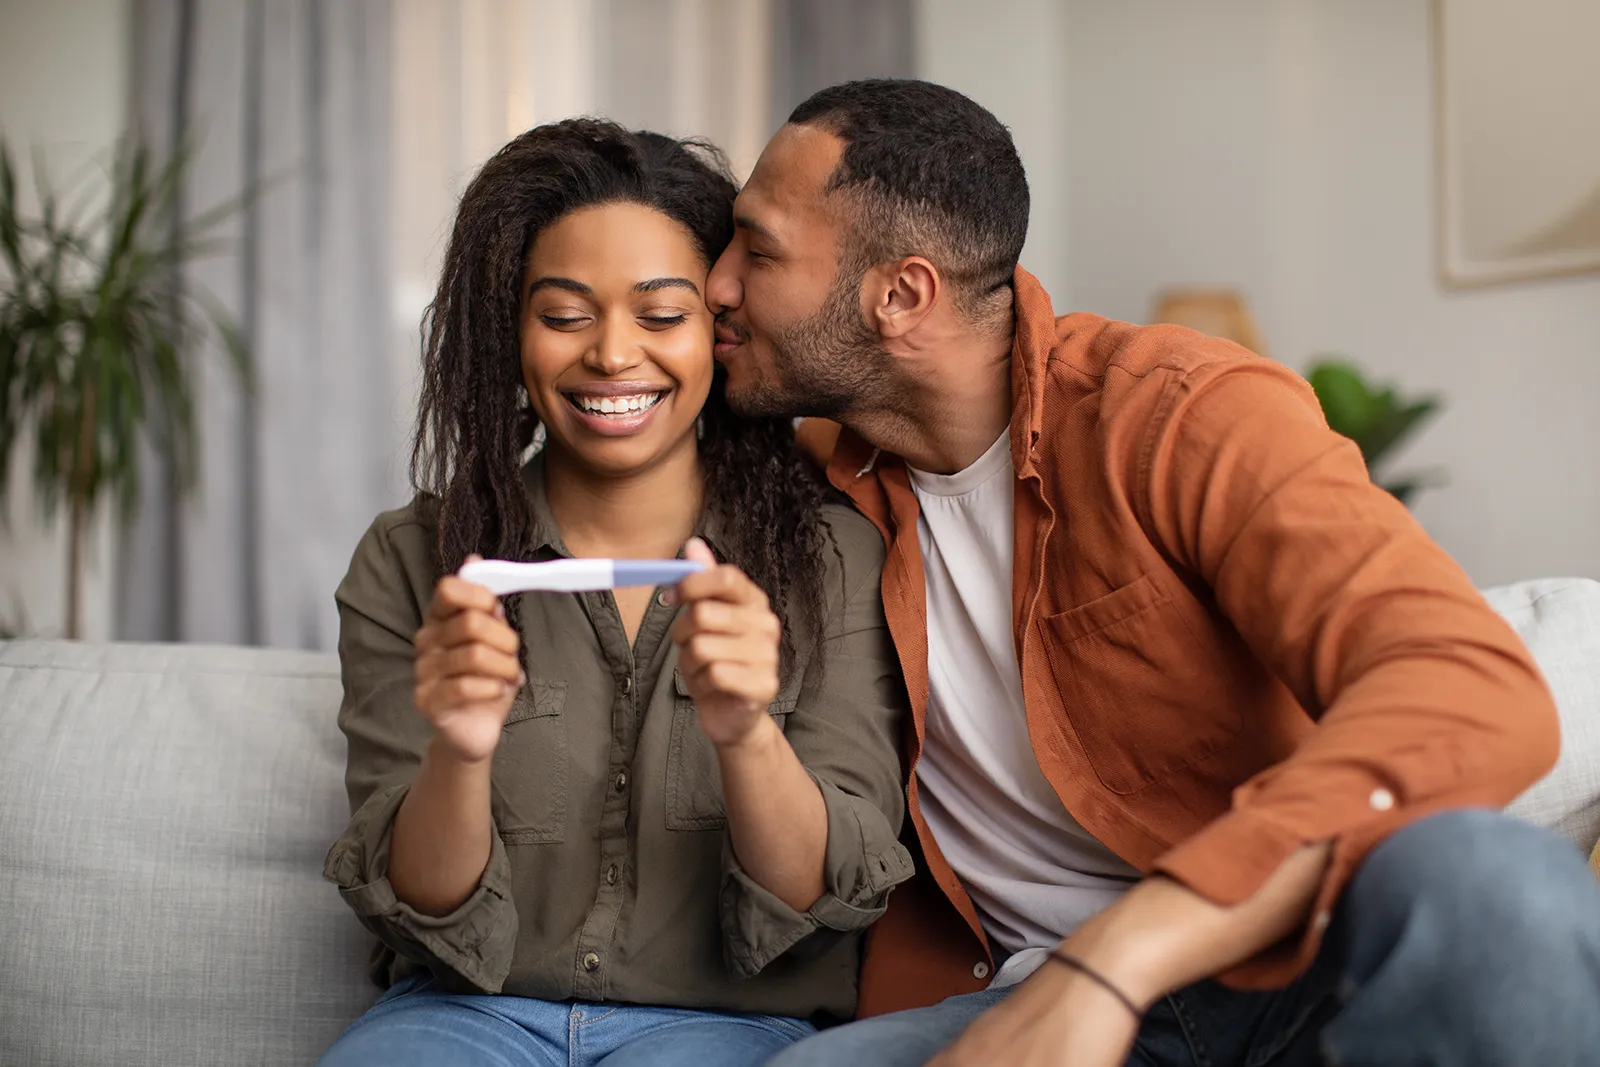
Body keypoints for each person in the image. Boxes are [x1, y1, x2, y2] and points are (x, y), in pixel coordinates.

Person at [704, 79, 1600, 1066]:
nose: (717, 284)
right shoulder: (809, 481)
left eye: (758, 249)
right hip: (1013, 998)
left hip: (1277, 954)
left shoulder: (1180, 416)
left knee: (1494, 881)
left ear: (900, 294)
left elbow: (1469, 690)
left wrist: (1119, 957)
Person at [317, 119, 913, 1067]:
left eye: (661, 315)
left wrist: (747, 731)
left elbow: (818, 896)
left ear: (718, 329)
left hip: (728, 1026)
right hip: (467, 1018)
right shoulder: (412, 558)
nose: (611, 356)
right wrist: (460, 754)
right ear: (509, 335)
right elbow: (423, 907)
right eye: (563, 316)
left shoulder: (833, 556)